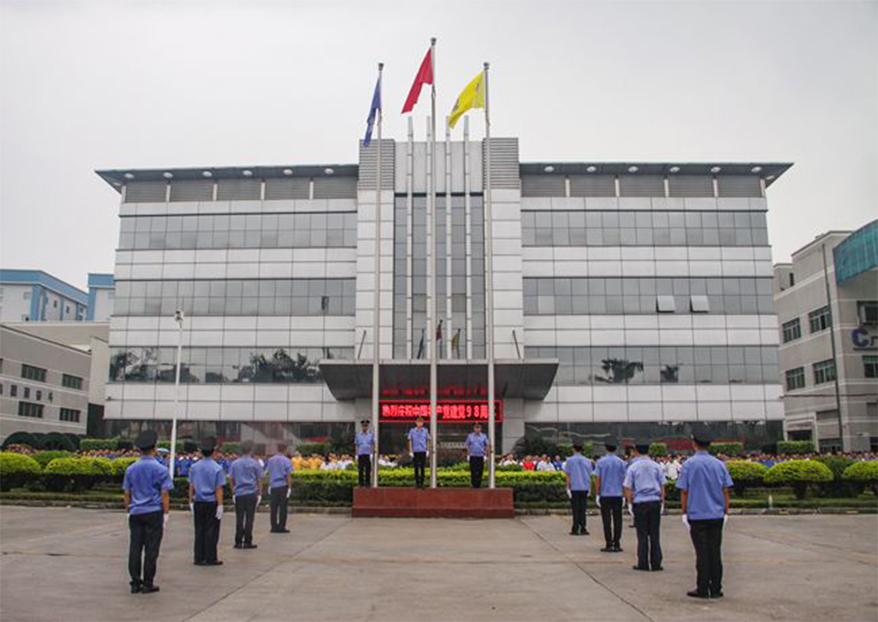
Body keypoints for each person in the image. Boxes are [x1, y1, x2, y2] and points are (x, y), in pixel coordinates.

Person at [677, 425, 734, 599]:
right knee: (715, 551)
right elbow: (726, 490)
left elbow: (684, 491)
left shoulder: (688, 464)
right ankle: (716, 587)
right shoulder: (719, 464)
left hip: (697, 515)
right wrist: (726, 511)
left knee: (701, 552)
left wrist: (684, 512)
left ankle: (703, 587)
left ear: (694, 443)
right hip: (716, 514)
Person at [123, 430, 173, 594]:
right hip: (153, 511)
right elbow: (164, 493)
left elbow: (127, 492)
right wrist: (166, 514)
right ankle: (148, 583)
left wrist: (128, 510)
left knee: (135, 548)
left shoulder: (131, 469)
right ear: (155, 448)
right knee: (151, 549)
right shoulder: (161, 469)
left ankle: (135, 583)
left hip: (136, 511)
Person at [623, 440, 666, 572]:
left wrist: (629, 503)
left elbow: (627, 487)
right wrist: (662, 501)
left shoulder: (633, 467)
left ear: (636, 450)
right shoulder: (656, 466)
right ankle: (656, 563)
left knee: (642, 535)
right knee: (654, 534)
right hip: (654, 501)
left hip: (640, 502)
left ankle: (643, 562)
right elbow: (662, 485)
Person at [188, 436, 226, 566]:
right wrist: (220, 505)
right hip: (211, 502)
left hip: (198, 501)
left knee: (199, 530)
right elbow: (219, 488)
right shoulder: (217, 468)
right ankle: (210, 557)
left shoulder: (194, 467)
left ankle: (198, 557)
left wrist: (190, 501)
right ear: (214, 451)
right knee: (211, 531)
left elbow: (191, 486)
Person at [229, 440, 264, 549]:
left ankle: (238, 541)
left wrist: (233, 492)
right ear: (251, 450)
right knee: (249, 518)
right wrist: (260, 493)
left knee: (239, 518)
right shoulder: (255, 463)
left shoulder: (235, 463)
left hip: (239, 493)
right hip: (251, 493)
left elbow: (231, 479)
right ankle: (248, 541)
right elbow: (259, 479)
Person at [595, 437, 626, 553]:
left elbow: (598, 479)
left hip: (605, 494)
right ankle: (617, 543)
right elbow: (624, 480)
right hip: (618, 494)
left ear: (605, 447)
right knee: (618, 519)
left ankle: (608, 543)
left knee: (606, 520)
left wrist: (597, 493)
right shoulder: (621, 462)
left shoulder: (601, 462)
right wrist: (624, 495)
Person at [563, 443, 593, 536]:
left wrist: (567, 487)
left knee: (575, 509)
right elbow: (590, 475)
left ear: (573, 449)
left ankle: (575, 528)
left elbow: (568, 475)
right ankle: (583, 528)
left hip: (575, 487)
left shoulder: (569, 460)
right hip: (584, 487)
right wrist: (590, 487)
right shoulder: (587, 460)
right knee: (583, 509)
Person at [265, 443, 293, 534]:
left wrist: (269, 485)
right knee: (283, 507)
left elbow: (268, 473)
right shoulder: (286, 460)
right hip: (282, 486)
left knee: (273, 508)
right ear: (285, 450)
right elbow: (288, 475)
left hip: (273, 486)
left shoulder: (271, 460)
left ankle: (273, 526)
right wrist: (289, 488)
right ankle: (281, 526)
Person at [407, 416, 431, 488]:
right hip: (415, 451)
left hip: (423, 451)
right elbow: (410, 440)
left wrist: (428, 450)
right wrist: (410, 451)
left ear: (423, 423)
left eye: (421, 422)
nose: (419, 423)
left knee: (422, 468)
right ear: (416, 423)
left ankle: (422, 483)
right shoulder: (412, 431)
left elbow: (428, 440)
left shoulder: (425, 431)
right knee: (416, 468)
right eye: (418, 422)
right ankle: (417, 483)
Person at [465, 423, 491, 488]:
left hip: (480, 456)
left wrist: (486, 455)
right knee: (473, 470)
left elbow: (487, 446)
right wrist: (468, 455)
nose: (477, 429)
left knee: (480, 470)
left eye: (478, 428)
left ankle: (478, 484)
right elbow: (467, 446)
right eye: (476, 428)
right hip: (472, 455)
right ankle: (473, 484)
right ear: (474, 429)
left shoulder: (484, 436)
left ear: (480, 429)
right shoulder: (470, 436)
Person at [354, 420, 375, 487]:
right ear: (361, 426)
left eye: (366, 426)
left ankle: (367, 483)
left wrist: (372, 453)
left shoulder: (371, 435)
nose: (364, 427)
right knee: (360, 469)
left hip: (368, 454)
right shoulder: (358, 435)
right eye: (363, 426)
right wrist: (356, 454)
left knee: (368, 469)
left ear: (367, 427)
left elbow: (373, 445)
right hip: (361, 454)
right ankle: (360, 483)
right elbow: (356, 445)